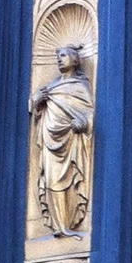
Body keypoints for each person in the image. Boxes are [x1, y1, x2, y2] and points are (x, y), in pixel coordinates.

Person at [32, 45, 94, 235]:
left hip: (71, 140)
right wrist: (36, 101)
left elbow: (89, 113)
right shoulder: (50, 88)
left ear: (75, 60)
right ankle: (59, 225)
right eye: (58, 56)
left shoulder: (80, 87)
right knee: (52, 181)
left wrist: (83, 123)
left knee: (69, 180)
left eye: (64, 55)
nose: (59, 59)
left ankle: (68, 223)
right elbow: (37, 112)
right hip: (50, 141)